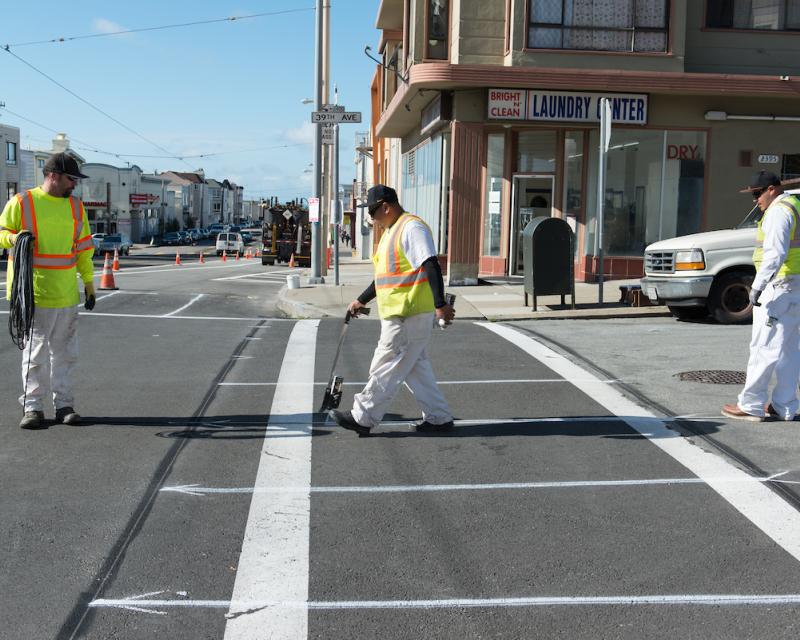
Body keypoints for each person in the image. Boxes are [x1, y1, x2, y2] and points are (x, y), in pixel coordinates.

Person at [329, 185, 455, 436]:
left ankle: (363, 417)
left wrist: (440, 305)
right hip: (402, 314)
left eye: (373, 212)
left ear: (386, 206)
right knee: (415, 369)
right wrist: (361, 300)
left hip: (407, 315)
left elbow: (431, 264)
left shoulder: (411, 228)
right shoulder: (391, 232)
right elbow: (385, 278)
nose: (371, 218)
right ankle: (439, 418)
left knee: (385, 365)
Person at [0, 153, 95, 429]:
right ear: (52, 175)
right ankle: (32, 408)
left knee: (65, 354)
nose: (74, 185)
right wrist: (15, 237)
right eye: (71, 179)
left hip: (66, 294)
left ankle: (64, 405)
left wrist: (88, 283)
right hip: (33, 294)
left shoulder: (76, 208)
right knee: (35, 355)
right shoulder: (23, 202)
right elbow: (1, 233)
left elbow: (83, 249)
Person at [722, 171, 800, 422]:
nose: (755, 200)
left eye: (757, 194)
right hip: (795, 285)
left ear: (771, 189)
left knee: (763, 348)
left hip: (778, 287)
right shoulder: (796, 205)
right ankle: (784, 405)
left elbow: (775, 254)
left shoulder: (778, 212)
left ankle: (751, 404)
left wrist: (757, 286)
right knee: (788, 350)